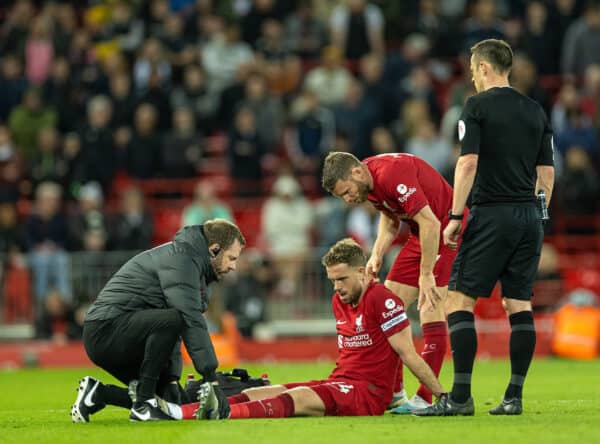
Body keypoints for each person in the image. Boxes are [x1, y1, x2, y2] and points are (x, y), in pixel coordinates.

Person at [413, 39, 555, 417]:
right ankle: (514, 397)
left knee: (458, 301)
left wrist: (456, 217)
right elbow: (547, 174)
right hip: (529, 215)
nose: (473, 78)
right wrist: (537, 218)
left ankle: (459, 398)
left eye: (474, 70)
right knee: (517, 303)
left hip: (492, 212)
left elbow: (467, 164)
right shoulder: (535, 110)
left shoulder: (476, 106)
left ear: (485, 68)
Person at [163, 238, 447, 420]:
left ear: (362, 272)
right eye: (332, 280)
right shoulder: (340, 299)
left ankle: (200, 414)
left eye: (342, 279)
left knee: (296, 398)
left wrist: (441, 396)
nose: (336, 288)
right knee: (266, 391)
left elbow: (407, 354)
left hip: (367, 393)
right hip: (342, 381)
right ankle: (179, 411)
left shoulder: (382, 299)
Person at [321, 150, 468, 413]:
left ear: (356, 172)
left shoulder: (390, 173)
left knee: (429, 306)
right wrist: (376, 255)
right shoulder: (369, 184)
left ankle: (426, 397)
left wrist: (425, 274)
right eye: (342, 196)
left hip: (446, 231)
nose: (347, 199)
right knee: (388, 308)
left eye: (346, 192)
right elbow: (391, 220)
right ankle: (396, 393)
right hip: (419, 233)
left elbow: (432, 224)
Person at [71, 219, 246, 422]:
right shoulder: (183, 260)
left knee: (173, 402)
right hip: (104, 330)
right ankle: (144, 404)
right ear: (214, 250)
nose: (234, 266)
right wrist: (211, 380)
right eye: (231, 258)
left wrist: (171, 379)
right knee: (174, 319)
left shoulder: (192, 264)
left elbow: (173, 323)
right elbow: (187, 319)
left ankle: (98, 394)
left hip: (120, 329)